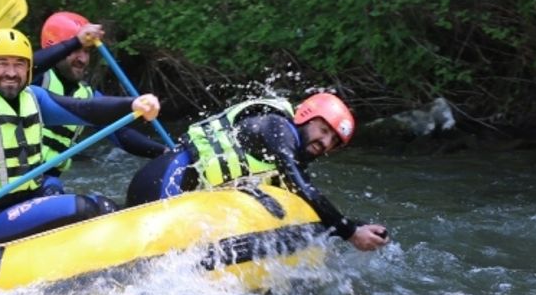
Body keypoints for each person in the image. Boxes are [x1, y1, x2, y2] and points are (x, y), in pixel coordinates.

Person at [0, 28, 161, 247]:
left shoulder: (34, 97)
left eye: (19, 64)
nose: (12, 72)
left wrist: (133, 104)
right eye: (2, 63)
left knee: (56, 188)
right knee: (88, 208)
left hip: (18, 202)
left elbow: (85, 110)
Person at [126, 92, 390, 251]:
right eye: (323, 130)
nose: (324, 143)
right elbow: (303, 188)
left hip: (182, 199)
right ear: (305, 116)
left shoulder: (283, 156)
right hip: (162, 181)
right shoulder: (276, 128)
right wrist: (350, 233)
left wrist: (356, 224)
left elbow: (310, 206)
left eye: (333, 141)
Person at [33, 11, 168, 177]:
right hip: (17, 180)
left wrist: (163, 152)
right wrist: (75, 41)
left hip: (48, 181)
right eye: (76, 50)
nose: (82, 59)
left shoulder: (87, 94)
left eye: (86, 51)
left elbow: (120, 132)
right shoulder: (33, 80)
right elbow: (31, 65)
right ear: (55, 48)